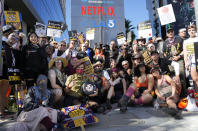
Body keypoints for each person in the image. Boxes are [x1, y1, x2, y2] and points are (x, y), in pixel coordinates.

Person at [183, 25, 198, 92]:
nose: (191, 31)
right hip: (192, 62)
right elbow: (185, 53)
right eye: (190, 30)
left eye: (193, 30)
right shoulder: (186, 41)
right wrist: (186, 62)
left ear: (196, 31)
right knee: (195, 79)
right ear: (188, 32)